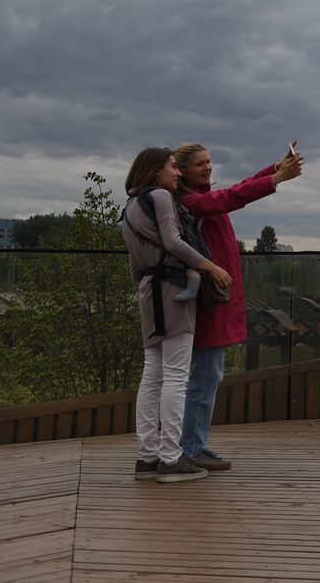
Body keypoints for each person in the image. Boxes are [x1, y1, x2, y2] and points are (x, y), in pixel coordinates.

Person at [173, 142, 303, 470]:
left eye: (209, 161)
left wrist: (274, 169)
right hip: (209, 303)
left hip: (215, 300)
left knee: (207, 374)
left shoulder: (199, 198)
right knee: (204, 376)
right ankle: (189, 448)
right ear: (183, 170)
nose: (208, 167)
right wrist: (275, 180)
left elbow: (235, 189)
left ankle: (192, 445)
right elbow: (231, 197)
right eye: (200, 164)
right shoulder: (190, 202)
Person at [119, 147, 232, 483]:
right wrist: (210, 267)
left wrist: (151, 280)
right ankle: (172, 460)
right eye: (172, 167)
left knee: (151, 375)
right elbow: (172, 241)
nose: (178, 173)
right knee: (177, 377)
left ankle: (147, 457)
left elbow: (135, 266)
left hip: (148, 291)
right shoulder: (162, 198)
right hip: (172, 292)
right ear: (155, 171)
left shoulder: (130, 206)